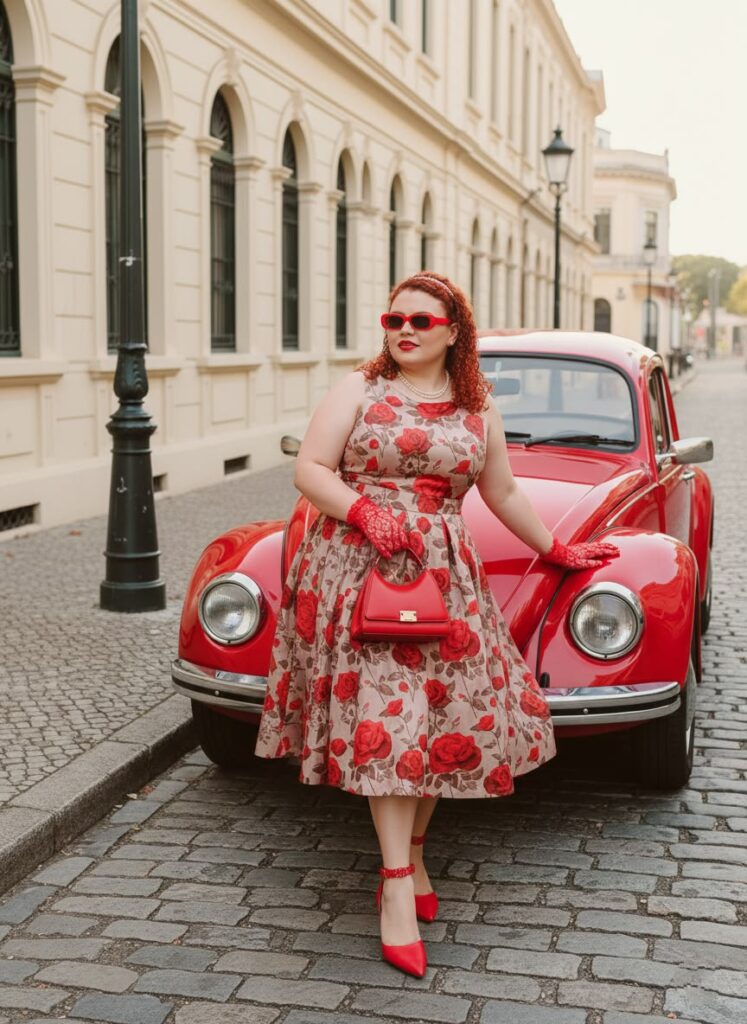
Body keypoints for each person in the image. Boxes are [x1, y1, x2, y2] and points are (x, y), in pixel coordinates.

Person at [254, 271, 619, 978]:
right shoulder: (358, 389)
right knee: (388, 722)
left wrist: (557, 549)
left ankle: (414, 858)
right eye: (396, 319)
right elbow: (311, 467)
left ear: (454, 333)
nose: (406, 330)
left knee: (434, 722)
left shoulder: (477, 411)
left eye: (422, 321)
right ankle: (394, 885)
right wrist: (364, 511)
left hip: (444, 579)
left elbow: (503, 490)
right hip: (358, 572)